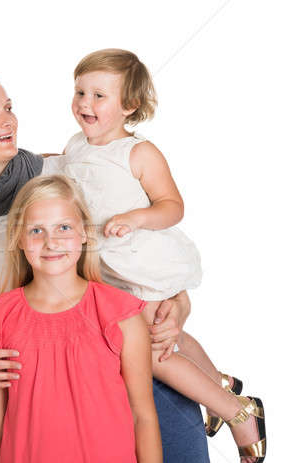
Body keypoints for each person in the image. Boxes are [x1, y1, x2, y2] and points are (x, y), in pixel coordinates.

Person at [0, 63, 210, 462]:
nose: (7, 120)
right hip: (43, 396)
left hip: (138, 368)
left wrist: (178, 300)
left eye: (8, 107)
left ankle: (230, 402)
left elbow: (144, 250)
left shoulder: (65, 172)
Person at [63, 48, 266, 462]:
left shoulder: (139, 153)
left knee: (151, 348)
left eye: (99, 95)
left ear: (129, 106)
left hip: (141, 261)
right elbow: (69, 170)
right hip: (109, 269)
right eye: (80, 91)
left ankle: (238, 412)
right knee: (168, 335)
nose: (85, 103)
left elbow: (172, 205)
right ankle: (218, 387)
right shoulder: (75, 145)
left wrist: (137, 217)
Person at [0, 174, 162, 462]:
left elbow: (143, 416)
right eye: (36, 230)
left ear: (84, 233)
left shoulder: (120, 315)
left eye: (63, 227)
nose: (51, 242)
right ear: (19, 238)